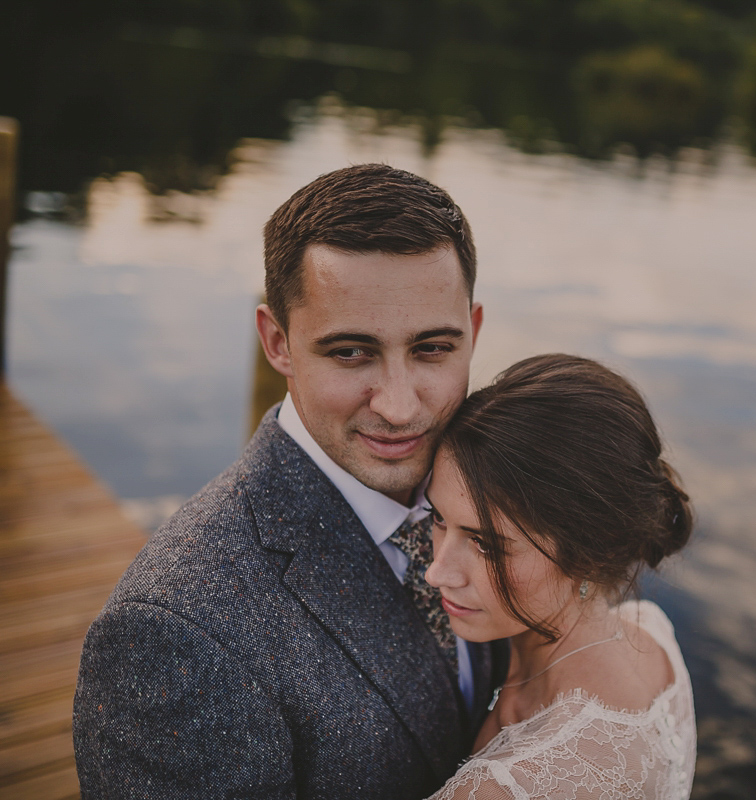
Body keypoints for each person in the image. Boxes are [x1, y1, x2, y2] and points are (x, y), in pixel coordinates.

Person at [73, 164, 507, 799]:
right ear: (278, 342)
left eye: (433, 349)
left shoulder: (501, 497)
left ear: (473, 331)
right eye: (351, 352)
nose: (399, 406)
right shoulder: (173, 632)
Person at [419, 353, 697, 800]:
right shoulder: (653, 635)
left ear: (589, 551)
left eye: (486, 543)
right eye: (437, 517)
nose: (437, 572)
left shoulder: (507, 789)